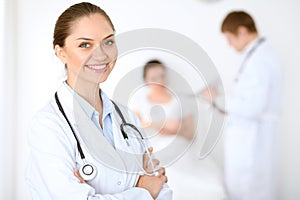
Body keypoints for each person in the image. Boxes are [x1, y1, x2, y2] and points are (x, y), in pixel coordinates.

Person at [25, 2, 172, 199]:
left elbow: (163, 191)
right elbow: (152, 189)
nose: (101, 55)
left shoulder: (127, 118)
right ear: (61, 53)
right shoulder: (48, 126)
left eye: (108, 42)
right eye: (85, 45)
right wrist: (143, 190)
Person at [202, 11, 282, 200]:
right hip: (249, 137)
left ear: (242, 31)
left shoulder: (261, 59)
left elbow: (253, 107)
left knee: (249, 192)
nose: (229, 44)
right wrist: (220, 104)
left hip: (252, 142)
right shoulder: (256, 55)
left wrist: (218, 97)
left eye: (230, 38)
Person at [129, 60, 227, 200]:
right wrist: (160, 125)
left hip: (178, 146)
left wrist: (173, 130)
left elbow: (190, 134)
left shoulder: (180, 101)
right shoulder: (138, 101)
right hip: (153, 147)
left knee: (203, 180)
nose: (159, 81)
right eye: (154, 78)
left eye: (162, 76)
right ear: (146, 80)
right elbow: (135, 129)